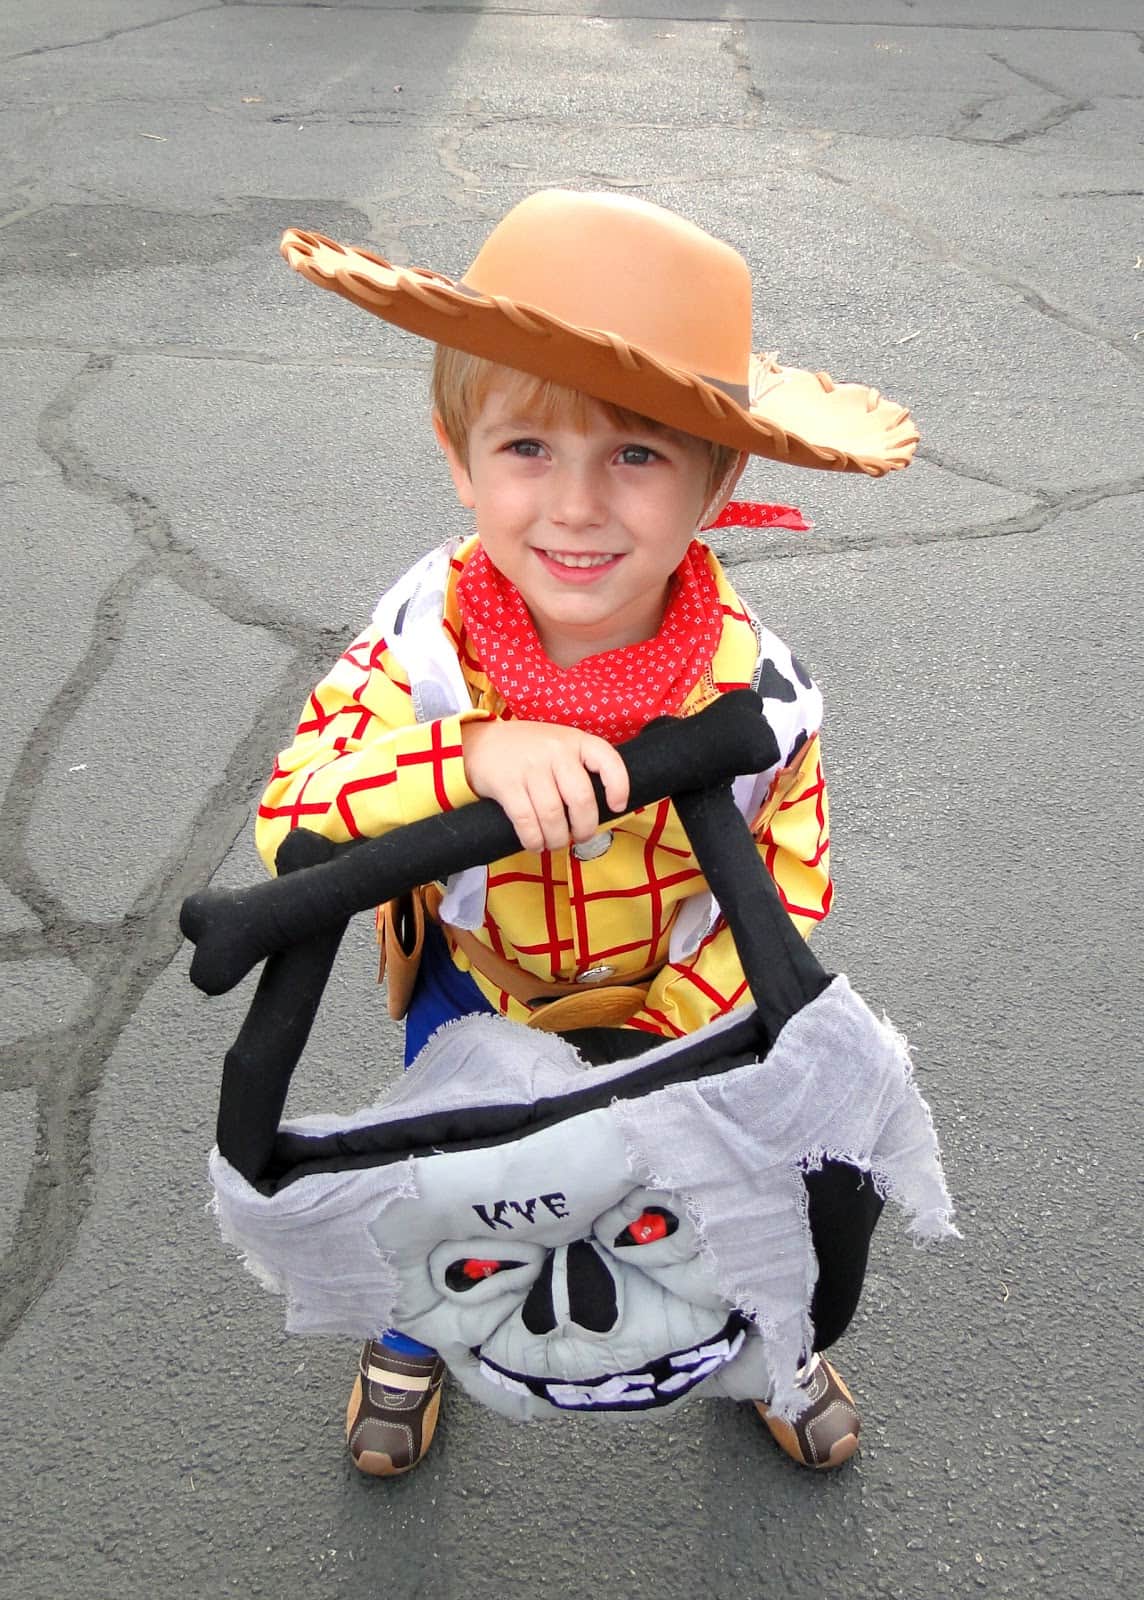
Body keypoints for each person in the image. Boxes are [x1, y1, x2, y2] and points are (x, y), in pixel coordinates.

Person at [257, 190, 918, 1476]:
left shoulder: (755, 686)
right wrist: (465, 754)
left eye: (635, 456)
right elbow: (295, 806)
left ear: (717, 481)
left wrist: (681, 1035)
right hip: (476, 990)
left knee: (725, 1192)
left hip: (682, 1007)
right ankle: (412, 1337)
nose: (573, 506)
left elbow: (789, 877)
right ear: (458, 454)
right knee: (448, 1171)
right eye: (525, 450)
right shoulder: (423, 648)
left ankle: (767, 1343)